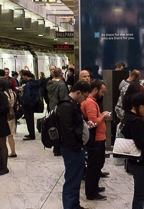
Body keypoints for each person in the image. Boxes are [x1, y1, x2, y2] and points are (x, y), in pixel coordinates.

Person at [57, 81, 92, 209]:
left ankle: (74, 205)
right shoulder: (66, 106)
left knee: (76, 178)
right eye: (84, 96)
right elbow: (66, 131)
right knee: (72, 180)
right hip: (71, 149)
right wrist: (77, 147)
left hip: (75, 148)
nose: (84, 100)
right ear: (78, 92)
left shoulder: (73, 104)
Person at [80, 79, 111, 201]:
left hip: (99, 138)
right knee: (93, 166)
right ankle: (91, 192)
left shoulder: (92, 102)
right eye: (102, 92)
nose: (103, 95)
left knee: (97, 165)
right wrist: (103, 116)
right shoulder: (90, 103)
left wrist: (100, 115)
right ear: (95, 90)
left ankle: (94, 187)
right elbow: (92, 122)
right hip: (96, 139)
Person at [0, 80, 17, 160]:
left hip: (5, 116)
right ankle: (13, 151)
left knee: (2, 139)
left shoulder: (2, 94)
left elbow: (4, 107)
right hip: (12, 115)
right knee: (10, 135)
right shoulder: (12, 93)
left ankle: (0, 154)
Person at [46, 68, 69, 156]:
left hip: (52, 107)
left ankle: (55, 147)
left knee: (54, 127)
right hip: (60, 108)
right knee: (61, 128)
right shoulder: (61, 85)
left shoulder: (49, 83)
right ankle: (59, 149)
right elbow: (63, 98)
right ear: (61, 74)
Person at [20, 70, 39, 141]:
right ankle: (32, 133)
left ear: (26, 76)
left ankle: (31, 135)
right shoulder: (34, 82)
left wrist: (23, 102)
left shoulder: (28, 85)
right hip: (33, 103)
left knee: (29, 120)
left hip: (28, 105)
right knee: (31, 119)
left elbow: (27, 96)